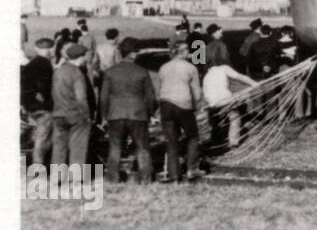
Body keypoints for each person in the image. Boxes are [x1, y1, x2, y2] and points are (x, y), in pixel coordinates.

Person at [99, 37, 157, 184]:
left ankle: (112, 177)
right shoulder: (142, 71)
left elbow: (104, 97)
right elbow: (151, 97)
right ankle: (146, 178)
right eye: (136, 52)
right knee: (142, 146)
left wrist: (103, 115)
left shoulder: (110, 72)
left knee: (115, 146)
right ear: (132, 54)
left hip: (115, 113)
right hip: (138, 113)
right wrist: (150, 113)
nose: (137, 54)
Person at [158, 43, 204, 182]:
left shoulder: (163, 67)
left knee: (171, 140)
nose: (189, 52)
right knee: (193, 136)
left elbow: (160, 87)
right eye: (188, 50)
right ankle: (192, 168)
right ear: (182, 52)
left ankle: (173, 173)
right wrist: (197, 106)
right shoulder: (191, 67)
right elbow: (196, 90)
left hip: (165, 103)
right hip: (183, 104)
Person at [52, 43, 93, 167]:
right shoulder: (77, 73)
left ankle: (56, 178)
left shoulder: (58, 71)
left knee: (59, 147)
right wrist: (87, 115)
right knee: (78, 147)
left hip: (58, 113)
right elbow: (81, 98)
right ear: (80, 57)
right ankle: (75, 179)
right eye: (85, 56)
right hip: (75, 114)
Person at [203, 58, 257, 149]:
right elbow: (239, 77)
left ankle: (216, 141)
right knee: (235, 117)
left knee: (216, 121)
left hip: (212, 102)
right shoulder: (224, 68)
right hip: (224, 99)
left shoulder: (207, 75)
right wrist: (253, 83)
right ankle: (233, 142)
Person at [21, 38, 56, 166]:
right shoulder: (45, 64)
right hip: (43, 108)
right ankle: (38, 168)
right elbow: (45, 87)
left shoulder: (31, 64)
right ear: (49, 49)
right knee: (43, 139)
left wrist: (25, 103)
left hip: (31, 107)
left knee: (38, 138)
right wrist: (49, 101)